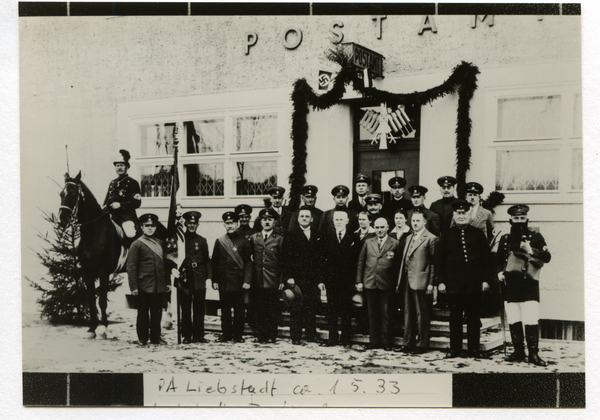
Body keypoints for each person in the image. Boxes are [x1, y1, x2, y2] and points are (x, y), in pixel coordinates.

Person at [495, 204, 551, 366]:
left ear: (527, 219)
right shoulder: (505, 239)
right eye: (516, 218)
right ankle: (518, 351)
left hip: (529, 285)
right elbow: (498, 260)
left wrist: (531, 250)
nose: (519, 221)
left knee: (531, 318)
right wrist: (499, 272)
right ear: (510, 220)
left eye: (522, 218)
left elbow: (547, 257)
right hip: (510, 285)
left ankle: (533, 354)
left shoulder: (536, 237)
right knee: (514, 317)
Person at [435, 201, 493, 358]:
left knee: (473, 317)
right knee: (455, 318)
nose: (461, 216)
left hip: (474, 283)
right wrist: (440, 281)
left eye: (464, 213)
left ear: (469, 214)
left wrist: (486, 280)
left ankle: (474, 350)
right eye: (458, 213)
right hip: (454, 284)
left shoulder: (478, 234)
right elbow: (439, 261)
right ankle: (455, 350)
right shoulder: (447, 235)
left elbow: (487, 259)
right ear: (454, 215)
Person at [356, 217, 402, 351]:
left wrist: (397, 283)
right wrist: (359, 281)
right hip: (370, 282)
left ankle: (386, 342)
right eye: (377, 227)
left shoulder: (395, 243)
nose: (380, 230)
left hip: (386, 284)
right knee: (372, 314)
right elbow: (361, 262)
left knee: (386, 313)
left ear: (388, 227)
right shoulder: (368, 242)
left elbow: (399, 265)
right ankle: (374, 341)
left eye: (382, 227)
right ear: (374, 228)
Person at [127, 213, 172, 346]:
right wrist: (133, 286)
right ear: (142, 227)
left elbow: (165, 265)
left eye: (152, 226)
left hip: (159, 284)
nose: (150, 228)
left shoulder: (160, 243)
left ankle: (156, 338)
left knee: (157, 313)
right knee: (143, 313)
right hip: (144, 285)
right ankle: (142, 338)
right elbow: (131, 267)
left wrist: (168, 282)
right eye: (147, 226)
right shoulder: (136, 244)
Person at [396, 210, 438, 354]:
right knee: (408, 312)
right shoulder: (409, 238)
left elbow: (433, 263)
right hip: (407, 280)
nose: (415, 223)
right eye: (413, 221)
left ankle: (422, 343)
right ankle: (407, 343)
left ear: (425, 222)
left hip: (422, 281)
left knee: (422, 313)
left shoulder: (431, 238)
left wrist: (431, 283)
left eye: (418, 221)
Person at [318, 210, 359, 347]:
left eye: (342, 219)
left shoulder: (354, 238)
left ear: (347, 221)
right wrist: (322, 280)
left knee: (346, 310)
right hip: (331, 280)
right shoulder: (327, 238)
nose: (339, 222)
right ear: (332, 222)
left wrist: (356, 281)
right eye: (336, 220)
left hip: (347, 281)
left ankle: (346, 339)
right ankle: (332, 338)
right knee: (331, 310)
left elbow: (356, 262)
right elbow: (322, 261)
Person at [281, 206, 321, 344]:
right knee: (296, 308)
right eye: (302, 216)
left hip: (312, 278)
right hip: (297, 278)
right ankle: (296, 336)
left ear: (312, 219)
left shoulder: (317, 234)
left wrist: (319, 278)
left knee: (311, 306)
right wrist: (289, 277)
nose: (304, 218)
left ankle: (311, 334)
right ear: (298, 219)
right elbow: (285, 258)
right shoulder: (291, 234)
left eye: (307, 216)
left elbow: (320, 258)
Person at [212, 212, 253, 343]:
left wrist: (247, 280)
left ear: (237, 224)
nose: (230, 226)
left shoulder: (245, 241)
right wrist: (215, 280)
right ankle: (226, 335)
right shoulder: (220, 241)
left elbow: (248, 263)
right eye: (227, 223)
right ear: (224, 224)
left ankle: (237, 335)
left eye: (232, 223)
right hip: (224, 282)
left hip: (238, 281)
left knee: (239, 310)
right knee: (225, 310)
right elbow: (215, 262)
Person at [249, 208, 285, 344]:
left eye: (270, 220)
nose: (267, 222)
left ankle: (272, 334)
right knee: (260, 308)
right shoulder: (254, 238)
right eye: (264, 220)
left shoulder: (279, 239)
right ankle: (262, 334)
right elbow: (250, 259)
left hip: (273, 279)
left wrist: (282, 279)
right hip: (258, 279)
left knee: (273, 308)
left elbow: (283, 261)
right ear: (261, 222)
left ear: (274, 222)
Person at [176, 211, 212, 344]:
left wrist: (208, 277)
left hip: (198, 277)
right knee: (185, 308)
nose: (192, 226)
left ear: (198, 224)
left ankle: (199, 335)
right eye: (190, 223)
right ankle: (186, 335)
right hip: (185, 277)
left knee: (199, 308)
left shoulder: (202, 240)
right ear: (185, 223)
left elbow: (207, 260)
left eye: (194, 223)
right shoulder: (180, 239)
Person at [103, 149, 142, 245]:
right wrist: (104, 207)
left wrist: (120, 205)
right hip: (111, 215)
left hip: (125, 217)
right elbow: (107, 200)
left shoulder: (132, 183)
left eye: (122, 165)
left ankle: (130, 254)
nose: (119, 168)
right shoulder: (112, 183)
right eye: (117, 165)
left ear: (127, 167)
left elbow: (137, 203)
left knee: (130, 232)